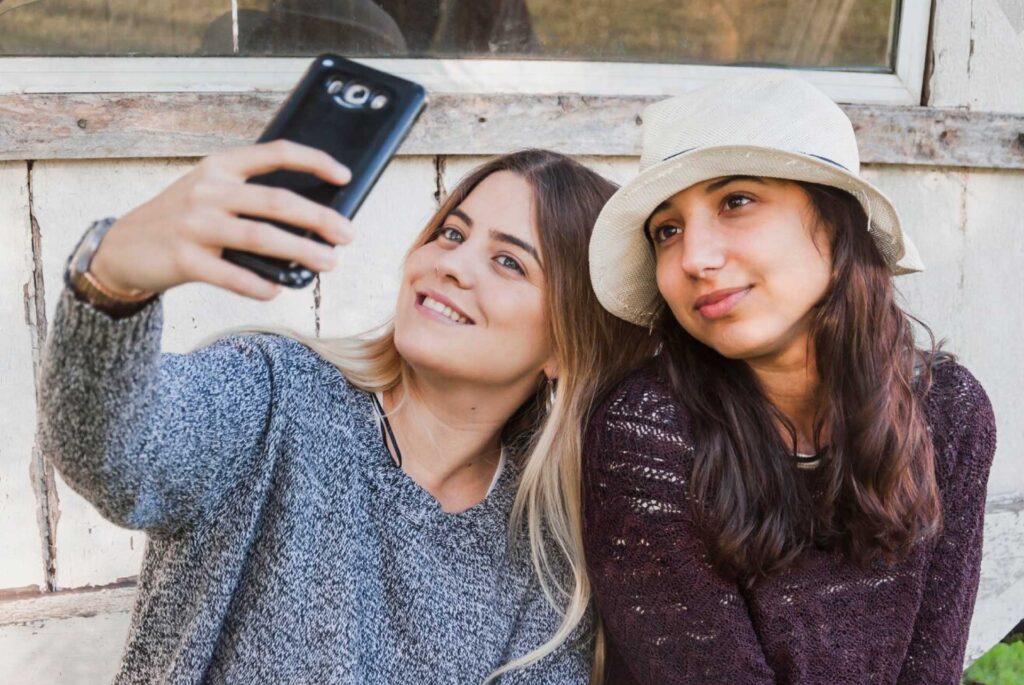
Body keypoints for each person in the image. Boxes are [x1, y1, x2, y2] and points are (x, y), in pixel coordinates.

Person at [37, 143, 654, 683]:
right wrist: (112, 277)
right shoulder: (274, 394)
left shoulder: (545, 562)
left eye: (509, 262)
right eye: (453, 232)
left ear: (565, 347)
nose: (452, 263)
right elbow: (117, 454)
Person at [582, 74, 997, 684]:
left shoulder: (949, 412)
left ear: (834, 223)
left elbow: (932, 662)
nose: (695, 258)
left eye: (737, 201)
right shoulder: (649, 430)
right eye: (667, 231)